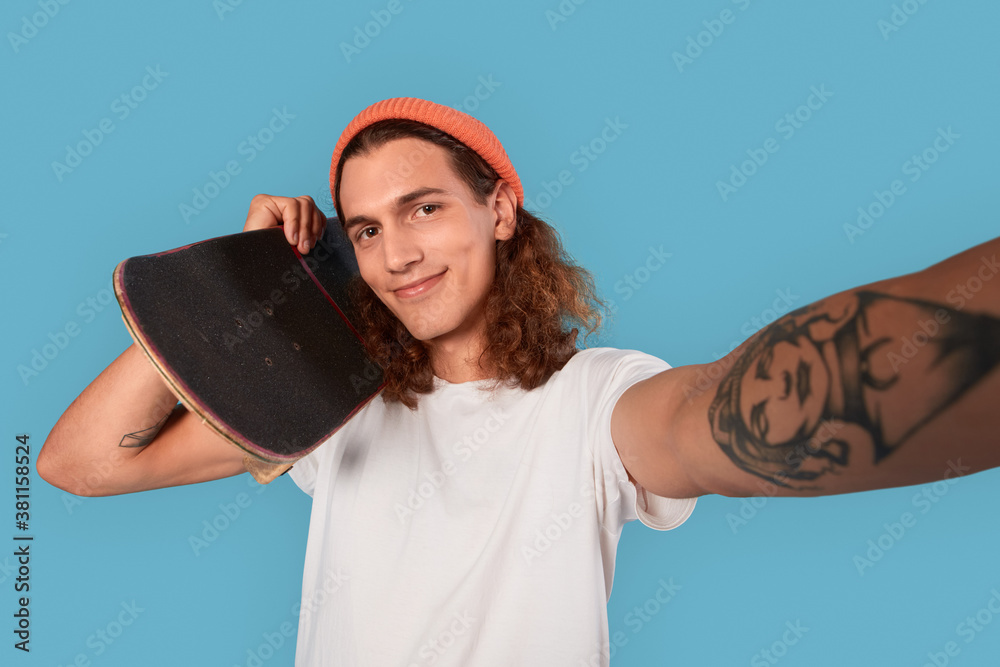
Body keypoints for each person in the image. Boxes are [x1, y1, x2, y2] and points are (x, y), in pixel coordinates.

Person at [38, 97, 1000, 666]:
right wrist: (236, 285)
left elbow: (725, 417)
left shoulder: (594, 402)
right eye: (365, 229)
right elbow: (80, 462)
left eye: (423, 208)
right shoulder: (330, 407)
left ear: (499, 208)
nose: (398, 253)